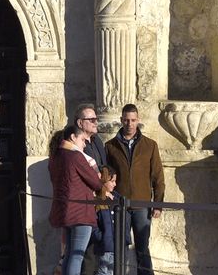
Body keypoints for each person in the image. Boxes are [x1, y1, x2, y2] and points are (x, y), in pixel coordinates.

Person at [104, 103, 164, 275]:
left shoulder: (150, 145)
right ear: (121, 120)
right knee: (119, 247)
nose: (129, 124)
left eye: (133, 120)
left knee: (142, 248)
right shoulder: (110, 146)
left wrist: (158, 204)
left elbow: (158, 177)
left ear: (138, 121)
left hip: (142, 205)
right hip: (120, 205)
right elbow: (107, 175)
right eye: (126, 120)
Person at [49, 121, 103, 275]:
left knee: (69, 254)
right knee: (77, 255)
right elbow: (96, 182)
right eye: (82, 140)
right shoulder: (75, 156)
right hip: (80, 212)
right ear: (73, 137)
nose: (84, 145)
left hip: (64, 211)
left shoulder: (55, 156)